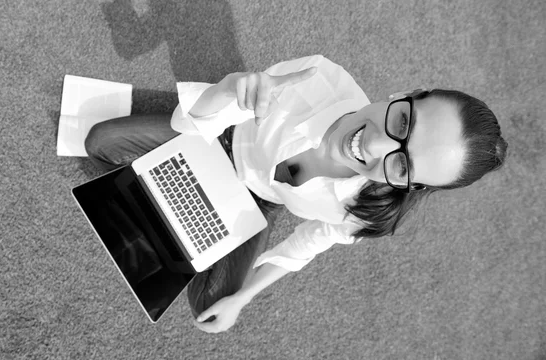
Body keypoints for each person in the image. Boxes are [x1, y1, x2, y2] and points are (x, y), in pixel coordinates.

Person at [84, 55, 507, 334]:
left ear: (411, 186)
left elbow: (309, 245)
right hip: (222, 141)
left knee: (210, 305)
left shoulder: (371, 208)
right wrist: (227, 91)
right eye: (401, 124)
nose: (376, 147)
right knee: (101, 141)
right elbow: (195, 127)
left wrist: (243, 298)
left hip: (254, 203)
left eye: (403, 165)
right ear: (405, 95)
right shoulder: (317, 78)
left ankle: (169, 199)